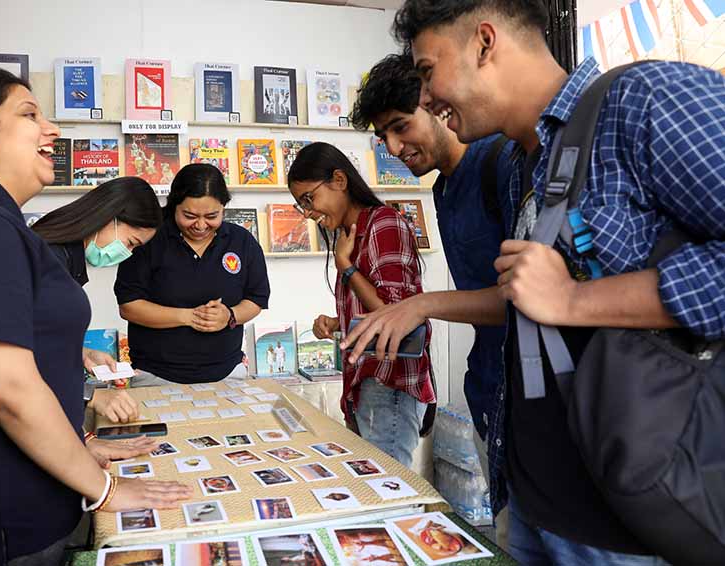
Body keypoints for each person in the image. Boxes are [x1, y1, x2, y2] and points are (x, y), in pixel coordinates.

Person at [347, 0, 725, 563]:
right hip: (534, 500)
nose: (425, 98)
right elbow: (526, 303)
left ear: (484, 42)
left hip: (630, 516)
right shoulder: (526, 161)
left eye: (428, 72)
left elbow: (558, 297)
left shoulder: (640, 100)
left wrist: (575, 296)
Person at [0, 68, 191, 566]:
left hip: (21, 501)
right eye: (29, 114)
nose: (53, 130)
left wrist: (82, 445)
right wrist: (104, 491)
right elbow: (11, 389)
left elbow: (39, 360)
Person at [349, 52, 514, 545]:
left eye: (401, 127)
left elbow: (531, 297)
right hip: (490, 390)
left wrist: (420, 304)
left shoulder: (502, 161)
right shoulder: (442, 189)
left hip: (538, 401)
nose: (394, 148)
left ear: (436, 103)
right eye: (383, 138)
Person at [288, 142, 435, 468]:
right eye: (301, 205)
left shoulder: (384, 223)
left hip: (390, 382)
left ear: (339, 180)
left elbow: (398, 315)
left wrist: (347, 267)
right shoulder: (351, 232)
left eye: (309, 199)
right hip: (365, 380)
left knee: (387, 486)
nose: (309, 212)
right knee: (372, 481)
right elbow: (374, 311)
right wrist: (339, 322)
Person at [115, 163, 270, 386]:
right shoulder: (149, 239)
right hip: (156, 375)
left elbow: (256, 298)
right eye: (189, 215)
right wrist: (189, 317)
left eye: (211, 216)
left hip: (228, 373)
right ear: (174, 205)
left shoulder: (241, 241)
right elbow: (128, 305)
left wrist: (230, 316)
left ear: (223, 208)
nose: (200, 225)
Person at [31, 177, 162, 425]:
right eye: (131, 243)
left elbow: (42, 333)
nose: (127, 253)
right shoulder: (50, 258)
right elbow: (25, 349)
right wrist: (90, 396)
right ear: (107, 217)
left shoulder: (67, 256)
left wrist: (82, 353)